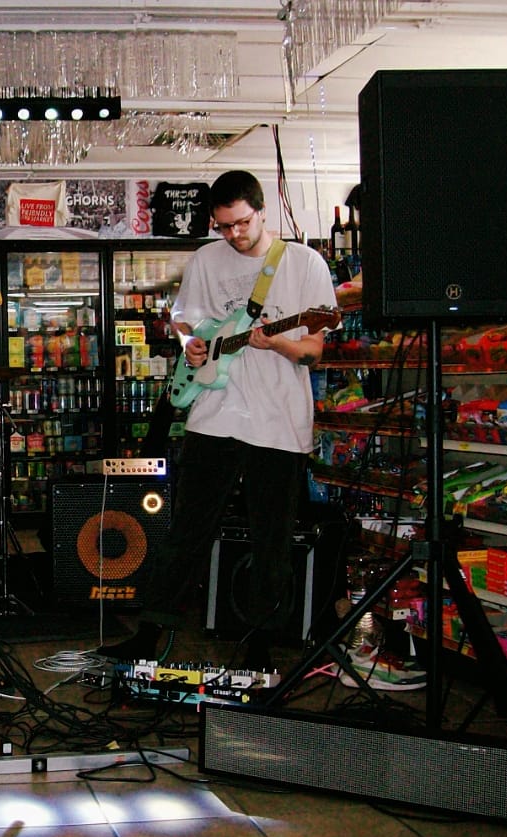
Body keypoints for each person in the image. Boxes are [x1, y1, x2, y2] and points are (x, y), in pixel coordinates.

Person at [100, 170, 337, 670]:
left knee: (271, 539)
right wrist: (189, 342)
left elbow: (314, 350)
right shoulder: (206, 259)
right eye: (224, 226)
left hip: (279, 423)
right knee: (186, 530)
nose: (234, 234)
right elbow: (184, 320)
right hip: (213, 415)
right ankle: (150, 633)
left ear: (262, 211)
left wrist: (279, 343)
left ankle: (260, 642)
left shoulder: (304, 264)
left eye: (242, 223)